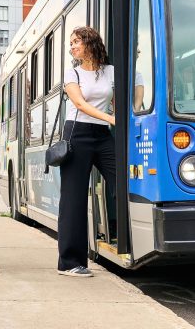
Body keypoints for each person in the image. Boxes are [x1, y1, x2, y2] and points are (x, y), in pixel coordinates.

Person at [58, 26, 115, 277]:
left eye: (76, 42)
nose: (72, 46)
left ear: (90, 43)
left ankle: (125, 236)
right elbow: (80, 103)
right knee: (74, 198)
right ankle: (70, 263)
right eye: (71, 43)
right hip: (77, 133)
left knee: (123, 180)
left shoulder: (110, 71)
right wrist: (111, 118)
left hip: (103, 136)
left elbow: (120, 99)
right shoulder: (73, 73)